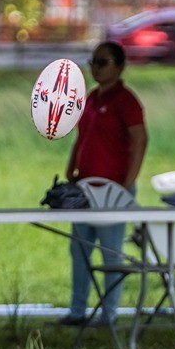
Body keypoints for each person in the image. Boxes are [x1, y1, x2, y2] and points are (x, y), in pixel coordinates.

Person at [61, 41, 147, 327]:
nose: (95, 68)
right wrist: (72, 166)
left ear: (120, 67)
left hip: (112, 190)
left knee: (111, 253)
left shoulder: (126, 101)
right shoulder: (91, 98)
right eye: (93, 62)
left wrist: (127, 183)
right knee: (80, 250)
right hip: (84, 188)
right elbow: (82, 136)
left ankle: (108, 314)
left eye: (102, 62)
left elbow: (140, 140)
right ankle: (77, 311)